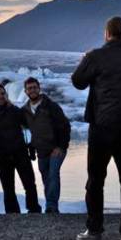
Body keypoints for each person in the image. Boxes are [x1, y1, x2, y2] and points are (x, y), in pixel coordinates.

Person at [70, 16, 121, 240]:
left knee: (96, 179)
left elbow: (78, 81)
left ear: (107, 33)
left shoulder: (95, 56)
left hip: (102, 126)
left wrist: (85, 60)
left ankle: (94, 231)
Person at [0, 82, 41, 214]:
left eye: (2, 93)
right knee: (8, 188)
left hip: (20, 153)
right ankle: (12, 214)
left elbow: (32, 125)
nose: (0, 96)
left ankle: (34, 211)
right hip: (2, 156)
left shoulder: (15, 111)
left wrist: (34, 146)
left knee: (29, 184)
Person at [22, 76, 70, 214]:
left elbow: (65, 126)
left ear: (39, 88)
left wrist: (60, 147)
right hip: (41, 150)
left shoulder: (51, 106)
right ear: (25, 91)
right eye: (29, 88)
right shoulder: (25, 110)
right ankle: (51, 205)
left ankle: (51, 206)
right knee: (46, 178)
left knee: (53, 174)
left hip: (56, 148)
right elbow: (20, 124)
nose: (32, 90)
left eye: (34, 87)